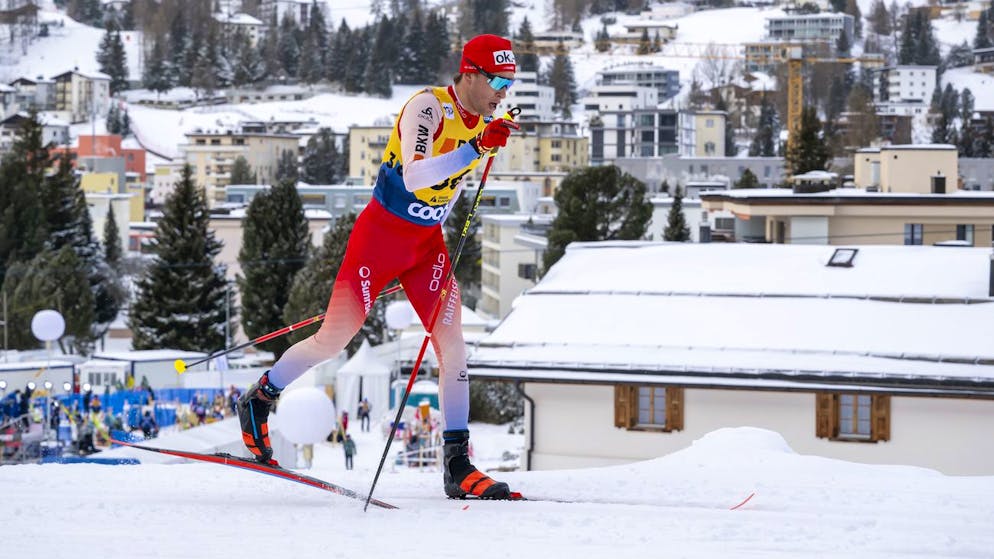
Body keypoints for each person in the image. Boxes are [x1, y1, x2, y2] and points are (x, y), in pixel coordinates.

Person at [238, 34, 519, 500]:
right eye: (497, 81)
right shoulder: (427, 108)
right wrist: (476, 148)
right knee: (334, 338)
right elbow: (416, 174)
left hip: (426, 246)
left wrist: (483, 146)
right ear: (470, 73)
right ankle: (260, 397)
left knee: (454, 347)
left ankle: (457, 464)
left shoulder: (484, 122)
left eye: (509, 84)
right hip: (380, 239)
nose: (503, 93)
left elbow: (451, 184)